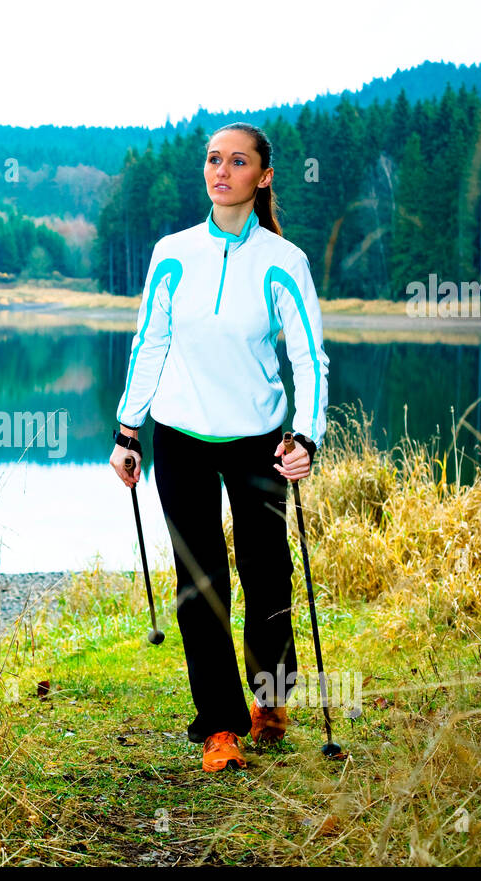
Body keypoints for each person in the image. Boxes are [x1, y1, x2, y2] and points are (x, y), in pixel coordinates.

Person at [109, 122, 330, 773]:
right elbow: (149, 340)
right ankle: (220, 727)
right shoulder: (172, 252)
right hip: (180, 438)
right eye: (213, 159)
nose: (221, 170)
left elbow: (308, 357)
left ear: (262, 177)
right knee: (198, 583)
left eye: (237, 162)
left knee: (268, 573)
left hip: (258, 440)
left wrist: (306, 436)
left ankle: (270, 696)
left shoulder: (282, 262)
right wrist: (129, 431)